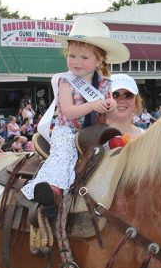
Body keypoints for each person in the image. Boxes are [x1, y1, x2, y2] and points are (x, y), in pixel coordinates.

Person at [22, 16, 129, 215]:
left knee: (116, 149)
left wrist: (111, 103)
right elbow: (68, 111)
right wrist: (92, 105)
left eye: (84, 57)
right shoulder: (66, 81)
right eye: (72, 56)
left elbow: (110, 109)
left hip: (96, 131)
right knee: (63, 154)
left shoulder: (105, 82)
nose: (76, 62)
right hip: (67, 130)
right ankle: (52, 189)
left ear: (99, 60)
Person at [106, 74, 145, 139]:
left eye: (128, 95)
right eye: (115, 95)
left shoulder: (147, 138)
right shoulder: (91, 138)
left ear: (136, 103)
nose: (121, 100)